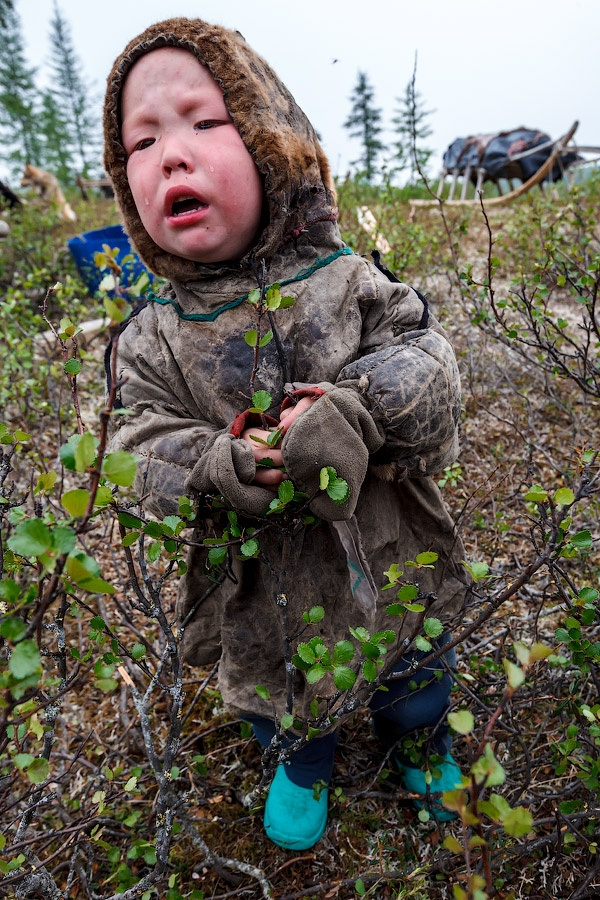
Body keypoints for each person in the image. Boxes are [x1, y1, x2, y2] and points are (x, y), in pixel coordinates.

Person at [103, 17, 469, 851]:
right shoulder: (151, 336)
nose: (171, 154)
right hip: (258, 583)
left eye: (204, 120)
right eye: (142, 141)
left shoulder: (348, 281)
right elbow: (130, 449)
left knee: (412, 668)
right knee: (283, 696)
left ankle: (420, 739)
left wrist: (355, 412)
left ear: (273, 139)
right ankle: (304, 763)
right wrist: (211, 463)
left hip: (384, 548)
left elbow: (431, 369)